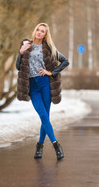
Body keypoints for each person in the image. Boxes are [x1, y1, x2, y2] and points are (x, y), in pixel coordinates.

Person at [16, 23, 69, 160]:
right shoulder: (26, 45)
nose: (39, 33)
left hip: (45, 84)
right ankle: (56, 145)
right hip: (33, 87)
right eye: (38, 30)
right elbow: (18, 66)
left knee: (45, 117)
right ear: (35, 31)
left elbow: (65, 61)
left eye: (42, 31)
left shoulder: (48, 48)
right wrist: (21, 52)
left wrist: (51, 72)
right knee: (43, 116)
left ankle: (39, 147)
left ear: (45, 35)